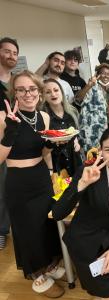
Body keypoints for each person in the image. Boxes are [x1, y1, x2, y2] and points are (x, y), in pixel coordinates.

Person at [52, 125, 109, 299]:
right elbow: (57, 213)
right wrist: (81, 185)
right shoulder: (89, 173)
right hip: (85, 246)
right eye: (108, 150)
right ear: (100, 151)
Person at [0, 70, 64, 297]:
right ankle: (37, 275)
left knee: (46, 224)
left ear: (39, 91)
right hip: (18, 182)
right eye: (21, 89)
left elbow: (43, 152)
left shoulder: (43, 117)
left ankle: (49, 264)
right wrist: (10, 133)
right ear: (14, 93)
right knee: (28, 230)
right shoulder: (3, 118)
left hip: (40, 177)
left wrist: (53, 146)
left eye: (32, 89)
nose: (27, 94)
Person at [0, 37, 19, 250]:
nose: (11, 56)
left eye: (14, 52)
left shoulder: (17, 81)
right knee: (2, 186)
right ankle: (2, 229)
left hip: (20, 139)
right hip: (1, 142)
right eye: (7, 51)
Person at [42, 78, 82, 176]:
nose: (53, 94)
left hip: (75, 161)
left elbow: (76, 133)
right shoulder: (43, 117)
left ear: (61, 92)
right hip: (57, 164)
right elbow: (43, 147)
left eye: (56, 90)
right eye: (48, 92)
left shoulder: (73, 112)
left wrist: (77, 142)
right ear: (43, 96)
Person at [78, 63, 109, 153]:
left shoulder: (103, 89)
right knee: (90, 158)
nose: (106, 76)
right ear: (97, 75)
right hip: (90, 133)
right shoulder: (92, 87)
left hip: (101, 130)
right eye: (103, 73)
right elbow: (78, 99)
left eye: (108, 74)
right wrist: (89, 85)